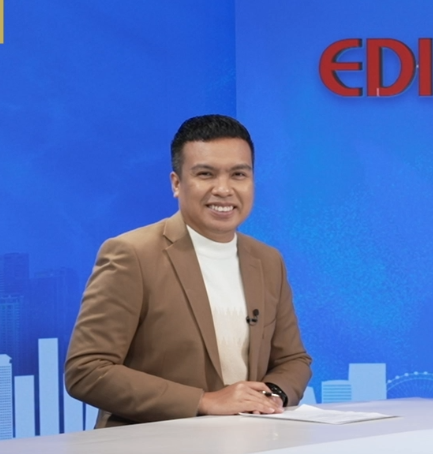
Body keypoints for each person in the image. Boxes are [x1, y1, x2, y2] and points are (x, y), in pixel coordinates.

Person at [65, 114, 311, 427]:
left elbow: (293, 360)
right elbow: (87, 371)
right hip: (152, 447)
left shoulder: (268, 260)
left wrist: (269, 396)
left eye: (238, 175)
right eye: (206, 174)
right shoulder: (132, 254)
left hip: (250, 444)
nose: (223, 189)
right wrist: (204, 401)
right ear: (177, 183)